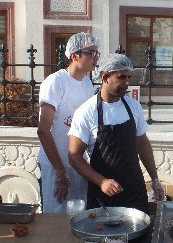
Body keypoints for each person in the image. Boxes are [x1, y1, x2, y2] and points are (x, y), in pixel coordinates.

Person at [32, 32, 99, 243]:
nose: (96, 58)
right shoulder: (55, 82)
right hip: (55, 166)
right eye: (91, 53)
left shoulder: (87, 84)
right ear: (75, 56)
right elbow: (44, 130)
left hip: (77, 165)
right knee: (49, 231)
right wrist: (59, 170)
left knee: (76, 223)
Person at [68, 54, 165, 217]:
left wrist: (155, 179)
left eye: (129, 77)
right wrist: (102, 181)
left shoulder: (133, 106)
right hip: (103, 195)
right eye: (121, 78)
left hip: (134, 189)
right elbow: (74, 157)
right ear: (105, 77)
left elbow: (142, 144)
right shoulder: (86, 112)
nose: (127, 83)